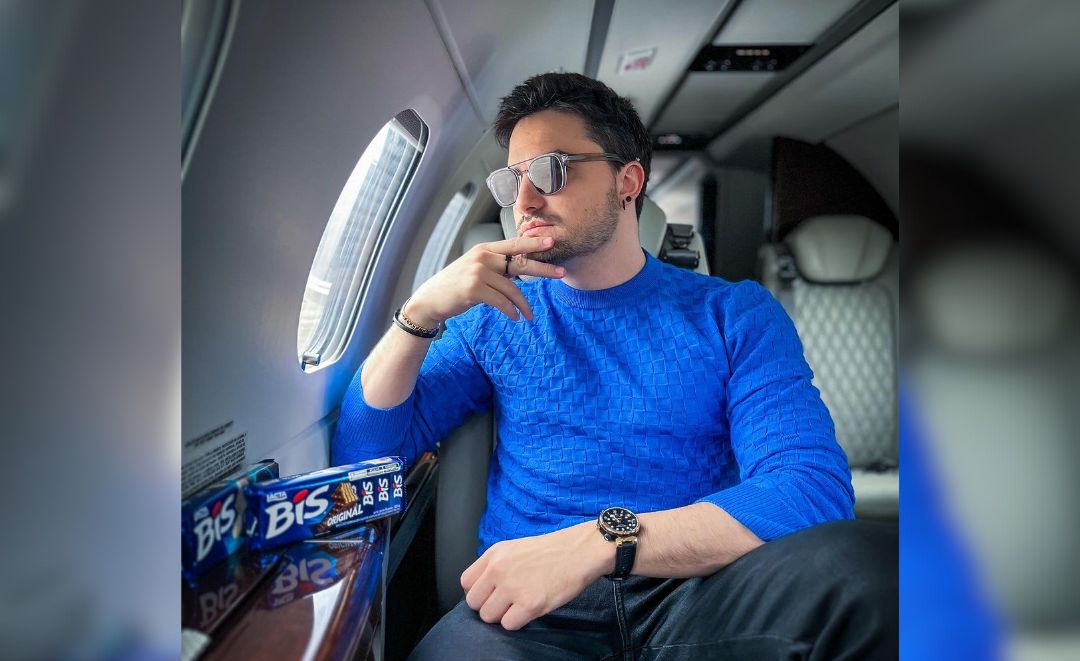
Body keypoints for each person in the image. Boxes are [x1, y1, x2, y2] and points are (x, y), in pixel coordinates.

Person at [333, 73, 897, 660]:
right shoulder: (492, 318)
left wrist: (603, 542)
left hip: (698, 592)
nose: (524, 202)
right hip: (532, 615)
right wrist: (419, 313)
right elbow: (363, 461)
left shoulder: (735, 314)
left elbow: (811, 489)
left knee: (876, 573)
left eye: (551, 171)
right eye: (513, 179)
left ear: (627, 182)